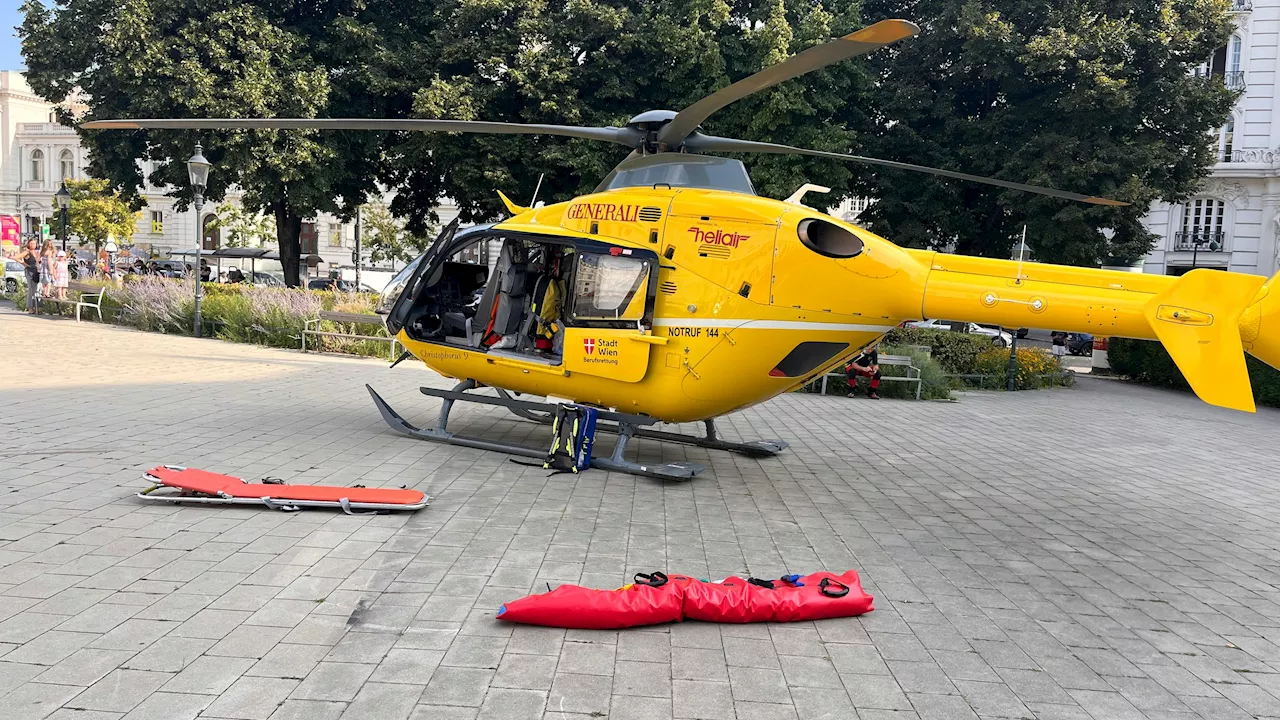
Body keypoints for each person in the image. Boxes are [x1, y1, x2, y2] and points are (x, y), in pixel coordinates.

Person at [15, 239, 42, 313]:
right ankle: (30, 308)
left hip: (37, 272)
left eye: (34, 243)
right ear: (28, 244)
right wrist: (24, 264)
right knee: (31, 289)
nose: (33, 245)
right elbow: (16, 257)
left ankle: (37, 307)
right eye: (31, 243)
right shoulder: (27, 252)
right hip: (30, 271)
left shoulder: (37, 252)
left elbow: (39, 261)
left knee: (37, 290)